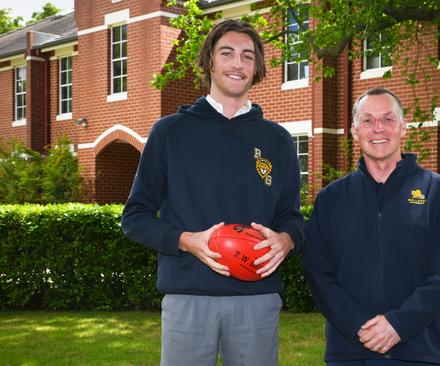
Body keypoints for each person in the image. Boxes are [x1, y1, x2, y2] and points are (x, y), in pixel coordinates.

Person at [121, 19, 303, 366]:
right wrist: (186, 240)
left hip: (257, 297)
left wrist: (286, 240)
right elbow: (135, 218)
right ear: (209, 61)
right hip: (188, 295)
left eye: (248, 56)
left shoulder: (277, 140)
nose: (238, 64)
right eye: (227, 53)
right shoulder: (170, 132)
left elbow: (291, 218)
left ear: (258, 67)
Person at [301, 87, 440, 365]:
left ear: (403, 128)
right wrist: (359, 325)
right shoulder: (331, 199)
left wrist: (398, 324)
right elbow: (318, 271)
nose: (378, 129)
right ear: (355, 131)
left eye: (388, 119)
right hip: (350, 352)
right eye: (368, 120)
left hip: (422, 350)